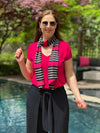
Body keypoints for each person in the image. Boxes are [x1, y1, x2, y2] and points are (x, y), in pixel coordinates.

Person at [15, 10, 87, 133]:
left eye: (52, 23)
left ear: (56, 26)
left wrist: (78, 97)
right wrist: (21, 62)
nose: (48, 26)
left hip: (58, 96)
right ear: (39, 25)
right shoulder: (32, 48)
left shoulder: (64, 47)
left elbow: (70, 75)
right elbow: (29, 76)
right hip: (36, 96)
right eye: (45, 23)